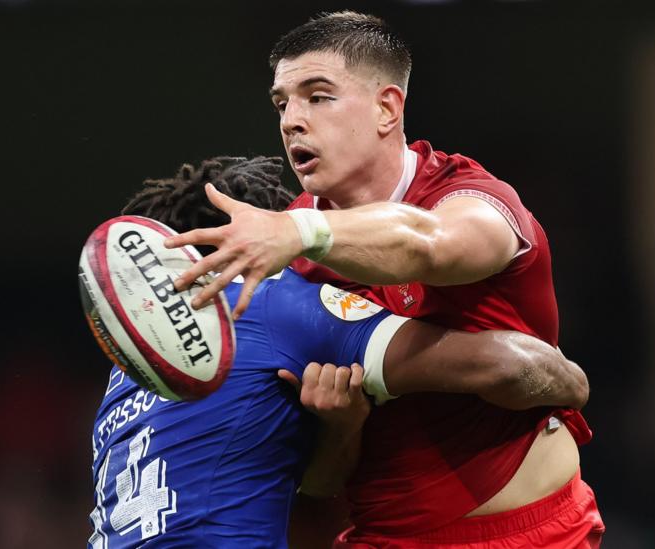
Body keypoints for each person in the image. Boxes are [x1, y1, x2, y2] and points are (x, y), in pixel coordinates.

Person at [164, 11, 605, 548]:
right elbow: (320, 480)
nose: (291, 121)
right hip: (386, 537)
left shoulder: (467, 195)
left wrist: (301, 230)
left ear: (386, 108)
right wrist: (340, 424)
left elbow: (432, 245)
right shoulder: (286, 260)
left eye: (317, 96)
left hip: (532, 533)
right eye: (282, 103)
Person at [86, 156, 588, 548]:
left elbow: (313, 480)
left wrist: (343, 425)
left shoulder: (126, 375)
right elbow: (506, 367)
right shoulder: (274, 301)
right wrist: (574, 383)